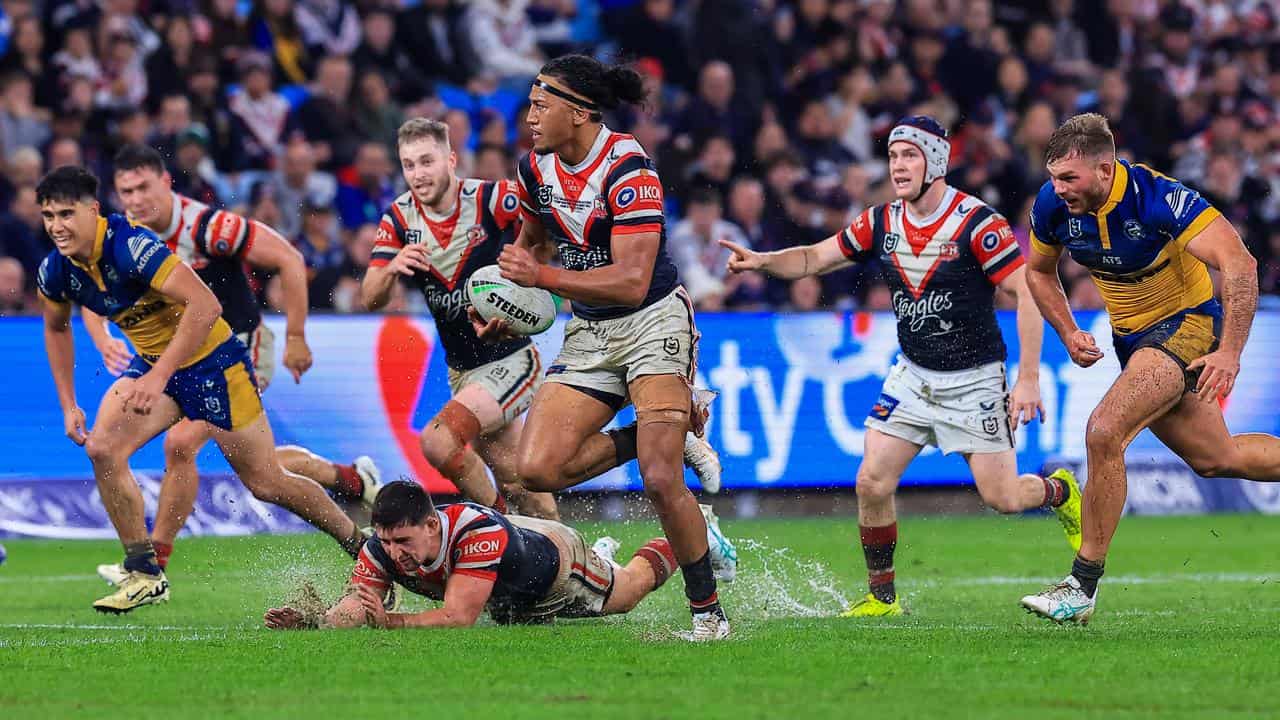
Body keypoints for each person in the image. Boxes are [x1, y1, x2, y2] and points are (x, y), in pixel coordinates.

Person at [720, 116, 1082, 618]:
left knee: (1002, 498)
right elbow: (813, 259)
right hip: (912, 376)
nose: (897, 166)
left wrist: (1027, 378)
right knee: (871, 481)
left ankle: (1061, 489)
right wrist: (762, 261)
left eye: (909, 155)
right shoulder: (880, 222)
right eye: (892, 157)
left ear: (935, 160)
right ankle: (882, 599)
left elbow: (1027, 292)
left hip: (973, 380)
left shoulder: (977, 224)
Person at [474, 55, 731, 640]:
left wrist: (542, 280)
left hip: (652, 322)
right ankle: (663, 431)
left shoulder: (629, 167)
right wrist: (504, 306)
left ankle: (707, 612)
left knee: (661, 477)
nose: (530, 116)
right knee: (537, 469)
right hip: (590, 331)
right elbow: (531, 246)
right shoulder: (534, 168)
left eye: (542, 105)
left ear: (580, 112)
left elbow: (632, 280)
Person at [35, 166, 367, 614]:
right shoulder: (56, 269)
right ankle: (145, 572)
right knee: (102, 449)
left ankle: (360, 546)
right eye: (48, 216)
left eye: (66, 214)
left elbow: (207, 305)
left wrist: (293, 336)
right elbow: (56, 328)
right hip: (155, 365)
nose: (56, 226)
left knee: (267, 481)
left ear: (93, 211)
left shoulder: (135, 246)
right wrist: (68, 404)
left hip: (215, 364)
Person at [361, 118, 724, 519]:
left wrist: (536, 285)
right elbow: (370, 297)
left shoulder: (492, 200)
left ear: (451, 160)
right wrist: (392, 267)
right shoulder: (398, 219)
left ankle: (500, 535)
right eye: (409, 165)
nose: (418, 174)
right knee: (524, 485)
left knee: (439, 442)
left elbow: (548, 228)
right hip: (462, 371)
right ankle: (570, 563)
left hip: (511, 359)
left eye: (426, 162)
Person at [1019, 113, 1280, 624]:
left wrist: (1229, 353)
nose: (1057, 188)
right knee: (1217, 458)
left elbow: (1241, 264)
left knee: (1103, 431)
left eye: (1069, 178)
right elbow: (1037, 271)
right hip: (1135, 343)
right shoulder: (1053, 205)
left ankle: (1081, 587)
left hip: (1188, 327)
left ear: (1103, 168)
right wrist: (1069, 331)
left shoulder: (1158, 198)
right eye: (1053, 177)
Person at [264, 481, 728, 628]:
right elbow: (356, 604)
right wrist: (318, 623)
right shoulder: (384, 547)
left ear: (430, 526)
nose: (394, 554)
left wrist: (391, 622)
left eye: (402, 543)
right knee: (514, 624)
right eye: (385, 542)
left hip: (558, 566)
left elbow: (458, 616)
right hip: (508, 591)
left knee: (626, 593)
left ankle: (697, 532)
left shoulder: (475, 535)